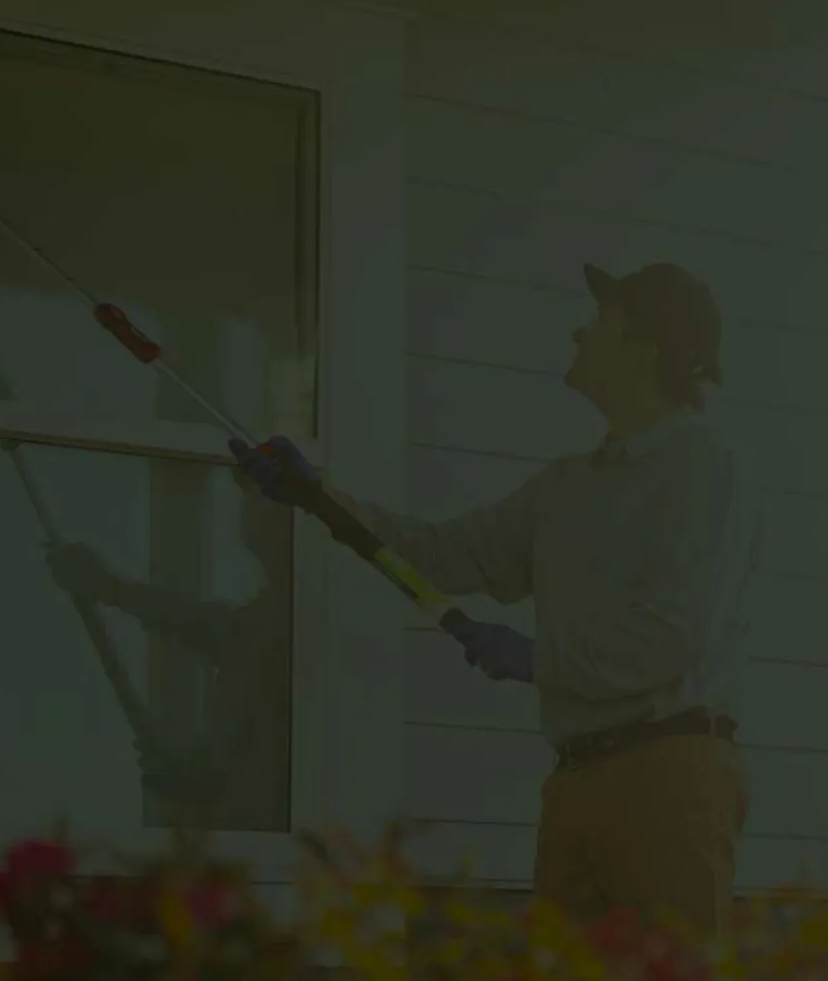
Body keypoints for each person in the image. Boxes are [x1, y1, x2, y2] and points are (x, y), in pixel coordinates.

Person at [231, 261, 762, 937]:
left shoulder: (705, 464)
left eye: (600, 321)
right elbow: (442, 554)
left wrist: (538, 658)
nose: (578, 333)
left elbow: (677, 634)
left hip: (669, 772)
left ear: (644, 346)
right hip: (575, 778)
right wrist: (319, 497)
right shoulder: (569, 486)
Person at [42, 475, 293, 833]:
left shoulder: (298, 621)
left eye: (261, 501)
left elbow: (220, 631)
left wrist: (109, 587)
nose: (250, 513)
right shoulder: (272, 617)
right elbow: (212, 628)